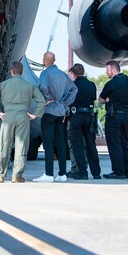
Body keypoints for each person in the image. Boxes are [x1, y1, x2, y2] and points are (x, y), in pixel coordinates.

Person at [0, 61, 46, 183]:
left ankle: (0, 175)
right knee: (21, 146)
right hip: (23, 116)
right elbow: (41, 101)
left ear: (12, 72)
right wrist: (34, 115)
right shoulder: (29, 86)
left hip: (8, 116)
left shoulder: (3, 85)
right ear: (22, 72)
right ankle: (17, 175)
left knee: (4, 145)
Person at [34, 51, 77, 182]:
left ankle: (48, 174)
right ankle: (62, 174)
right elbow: (74, 89)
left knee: (48, 143)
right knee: (60, 142)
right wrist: (64, 103)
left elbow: (43, 86)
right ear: (55, 60)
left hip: (49, 111)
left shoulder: (45, 73)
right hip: (60, 112)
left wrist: (47, 98)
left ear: (45, 60)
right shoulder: (63, 74)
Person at [99, 60, 128, 179]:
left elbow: (101, 99)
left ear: (114, 70)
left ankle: (118, 171)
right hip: (126, 117)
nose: (106, 72)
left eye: (107, 70)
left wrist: (107, 99)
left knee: (114, 144)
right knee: (124, 143)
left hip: (114, 117)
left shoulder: (111, 84)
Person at [66, 63, 101, 180]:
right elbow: (93, 99)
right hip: (89, 116)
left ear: (74, 74)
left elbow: (68, 101)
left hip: (76, 116)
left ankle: (82, 172)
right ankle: (96, 172)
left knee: (77, 145)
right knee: (91, 145)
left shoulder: (73, 86)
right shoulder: (91, 85)